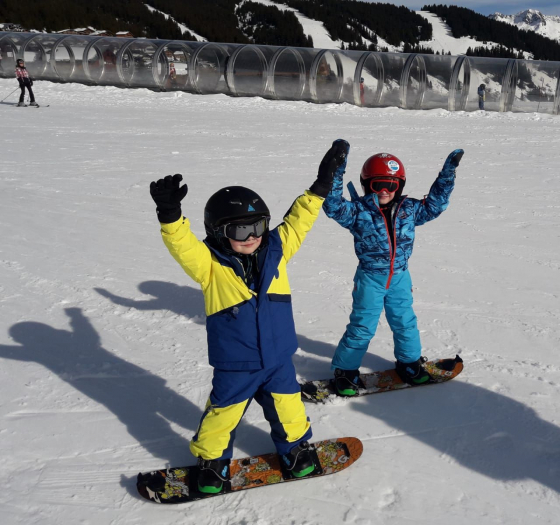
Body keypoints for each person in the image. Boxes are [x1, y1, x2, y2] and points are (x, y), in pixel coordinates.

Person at [148, 139, 347, 493]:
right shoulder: (209, 265)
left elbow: (299, 221)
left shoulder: (278, 249)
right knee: (222, 415)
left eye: (259, 227)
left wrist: (318, 188)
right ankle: (212, 463)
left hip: (279, 358)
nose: (253, 237)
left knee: (290, 409)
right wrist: (170, 216)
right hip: (235, 363)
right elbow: (183, 246)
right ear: (219, 232)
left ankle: (295, 450)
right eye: (242, 231)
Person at [322, 146, 464, 396]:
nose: (385, 191)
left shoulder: (410, 209)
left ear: (400, 185)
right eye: (378, 185)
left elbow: (435, 205)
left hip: (400, 276)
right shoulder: (357, 212)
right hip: (370, 279)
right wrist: (336, 171)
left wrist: (447, 175)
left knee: (405, 322)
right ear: (367, 185)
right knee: (362, 326)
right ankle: (345, 371)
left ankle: (409, 363)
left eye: (391, 184)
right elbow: (333, 206)